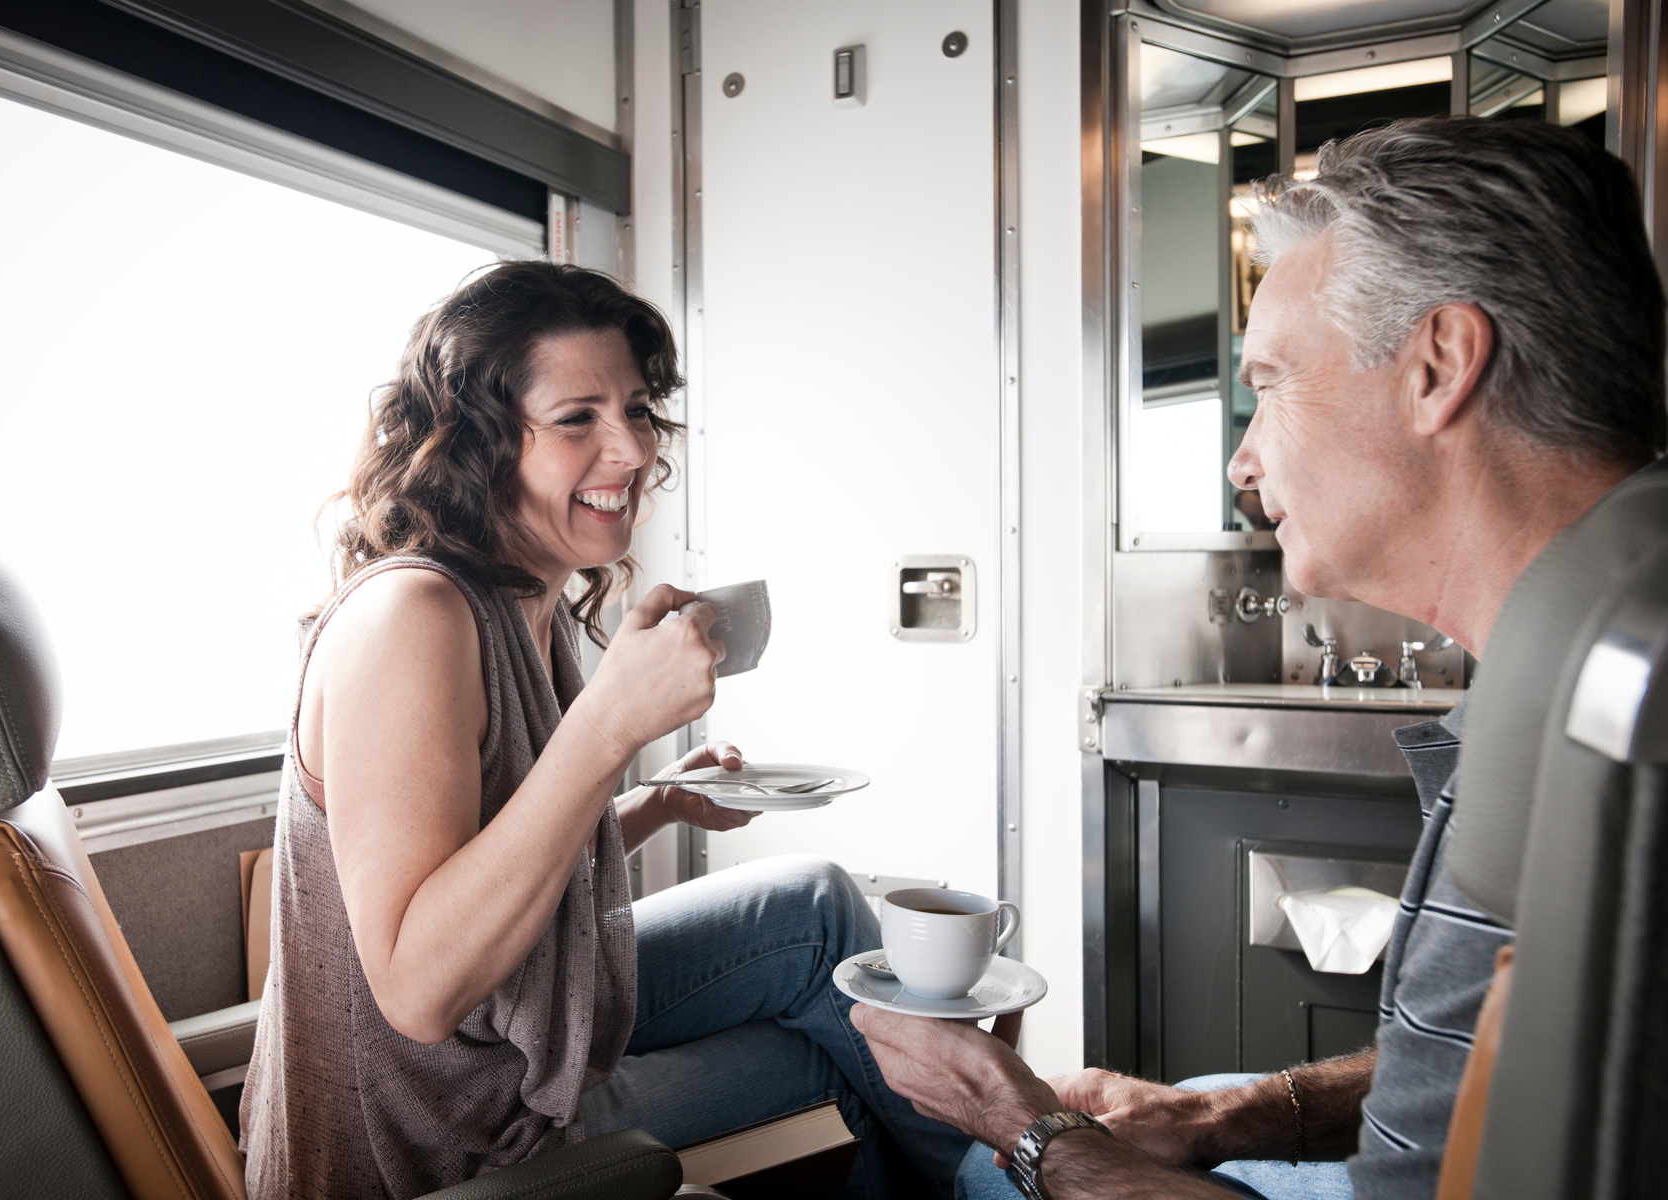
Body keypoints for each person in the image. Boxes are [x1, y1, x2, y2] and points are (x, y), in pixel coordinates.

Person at [851, 115, 1666, 1200]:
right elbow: (1488, 1068)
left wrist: (1031, 1133)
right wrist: (1226, 1114)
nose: (1242, 458)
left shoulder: (1590, 712)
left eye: (1272, 381)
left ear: (1439, 364)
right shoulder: (1580, 642)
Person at [239, 261, 969, 1200]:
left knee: (816, 906)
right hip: (443, 1135)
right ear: (480, 443)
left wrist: (653, 803)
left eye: (636, 410)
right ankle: (1028, 1165)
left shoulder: (522, 604)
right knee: (831, 1065)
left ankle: (1026, 1148)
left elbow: (492, 857)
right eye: (578, 418)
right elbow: (420, 988)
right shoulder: (411, 617)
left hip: (501, 1041)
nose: (628, 451)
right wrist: (609, 724)